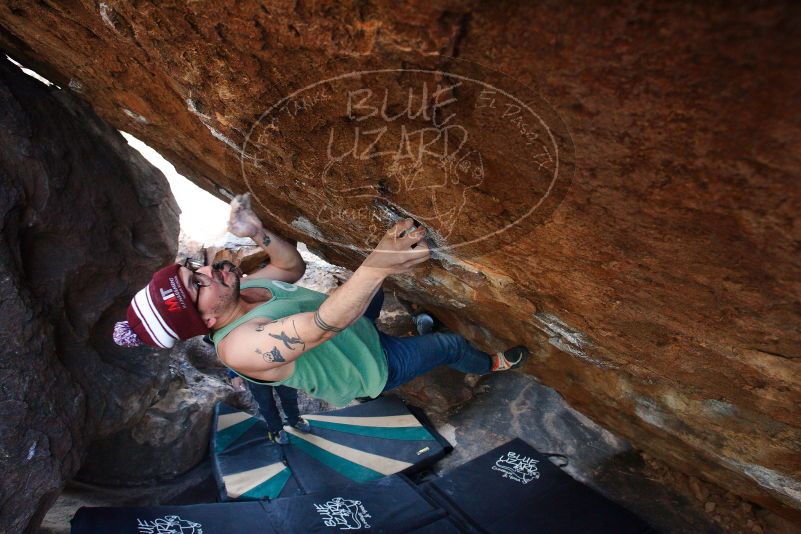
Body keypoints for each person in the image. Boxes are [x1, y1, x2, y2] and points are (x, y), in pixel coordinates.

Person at [114, 193, 528, 408]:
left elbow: (290, 267)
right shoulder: (241, 347)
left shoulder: (245, 291)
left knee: (372, 288)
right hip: (370, 367)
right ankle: (488, 364)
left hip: (354, 331)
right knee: (447, 345)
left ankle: (410, 319)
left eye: (193, 269)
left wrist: (255, 231)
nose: (207, 271)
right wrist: (377, 264)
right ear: (204, 322)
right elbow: (321, 325)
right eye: (197, 286)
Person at [229, 371, 309, 444]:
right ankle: (276, 429)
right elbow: (231, 354)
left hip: (281, 366)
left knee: (289, 396)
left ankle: (294, 419)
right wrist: (234, 374)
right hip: (254, 371)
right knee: (265, 403)